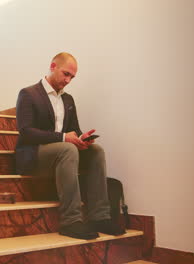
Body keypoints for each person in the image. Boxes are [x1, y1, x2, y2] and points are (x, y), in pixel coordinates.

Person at [15, 52, 125, 239]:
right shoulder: (28, 94)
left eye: (72, 77)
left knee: (96, 151)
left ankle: (100, 217)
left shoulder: (68, 100)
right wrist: (65, 138)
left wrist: (82, 140)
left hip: (63, 155)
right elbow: (26, 132)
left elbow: (74, 130)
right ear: (52, 66)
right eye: (66, 74)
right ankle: (71, 221)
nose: (68, 80)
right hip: (33, 155)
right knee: (67, 148)